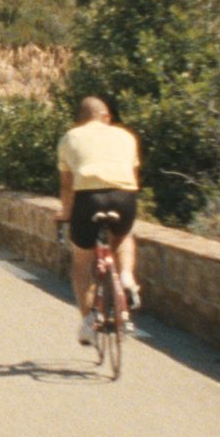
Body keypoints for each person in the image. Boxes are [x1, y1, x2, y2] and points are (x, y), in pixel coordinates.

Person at [55, 96, 140, 346]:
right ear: (106, 117)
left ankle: (88, 322)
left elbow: (67, 186)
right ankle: (125, 276)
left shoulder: (69, 138)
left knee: (82, 261)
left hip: (88, 199)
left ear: (79, 119)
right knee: (123, 236)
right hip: (124, 196)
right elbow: (134, 177)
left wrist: (66, 213)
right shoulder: (126, 136)